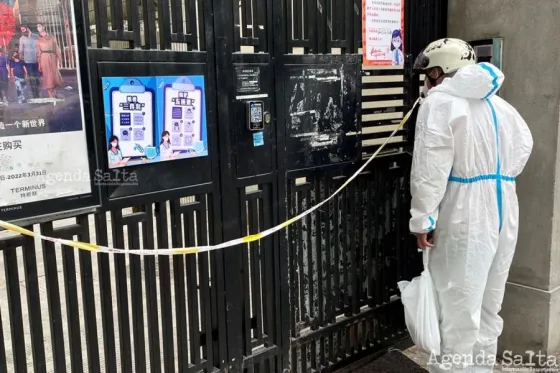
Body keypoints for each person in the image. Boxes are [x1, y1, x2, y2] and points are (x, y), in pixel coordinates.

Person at [410, 38, 533, 372]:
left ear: (440, 70)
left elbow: (430, 168)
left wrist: (422, 220)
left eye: (428, 73)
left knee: (457, 308)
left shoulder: (440, 104)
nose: (425, 81)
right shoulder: (502, 107)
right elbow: (524, 148)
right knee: (488, 307)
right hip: (505, 207)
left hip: (464, 213)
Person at [36, 23, 63, 98]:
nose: (38, 28)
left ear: (44, 27)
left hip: (53, 57)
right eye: (37, 27)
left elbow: (57, 48)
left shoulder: (52, 37)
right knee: (47, 75)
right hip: (44, 58)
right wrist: (39, 64)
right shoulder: (38, 40)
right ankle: (50, 95)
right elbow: (38, 52)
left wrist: (60, 59)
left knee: (54, 74)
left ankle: (54, 92)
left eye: (39, 26)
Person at [19, 26, 40, 98]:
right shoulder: (21, 39)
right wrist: (21, 56)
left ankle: (38, 91)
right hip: (28, 61)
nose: (22, 31)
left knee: (37, 77)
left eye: (23, 29)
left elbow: (40, 47)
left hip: (37, 60)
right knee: (31, 78)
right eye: (21, 30)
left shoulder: (36, 36)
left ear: (27, 28)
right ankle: (35, 95)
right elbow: (21, 50)